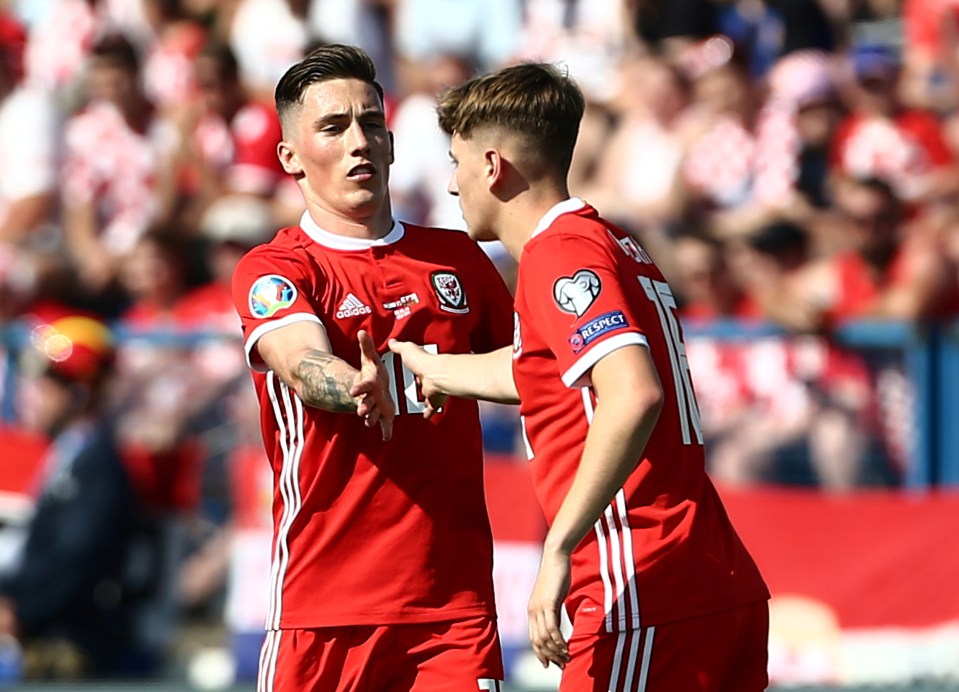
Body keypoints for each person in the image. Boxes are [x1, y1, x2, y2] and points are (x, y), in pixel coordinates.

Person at [390, 62, 770, 690]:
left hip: (639, 579)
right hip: (706, 575)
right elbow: (544, 373)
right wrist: (437, 369)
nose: (452, 186)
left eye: (456, 162)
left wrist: (559, 545)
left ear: (492, 166)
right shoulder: (611, 241)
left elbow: (631, 392)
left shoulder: (559, 255)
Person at [229, 44, 513, 691]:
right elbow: (302, 363)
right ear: (290, 158)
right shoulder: (276, 269)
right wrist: (349, 382)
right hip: (323, 611)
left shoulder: (459, 261)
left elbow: (532, 368)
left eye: (371, 123)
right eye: (333, 127)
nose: (359, 141)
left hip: (452, 612)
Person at [0, 315, 168, 679]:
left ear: (82, 392)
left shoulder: (98, 467)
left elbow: (74, 556)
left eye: (50, 384)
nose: (33, 396)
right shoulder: (69, 455)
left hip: (76, 645)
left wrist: (19, 610)